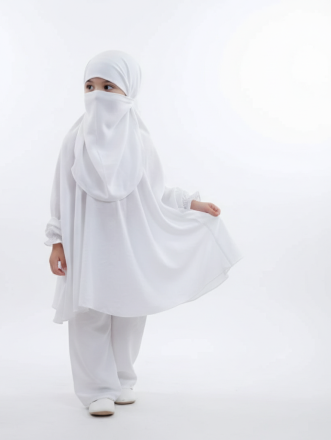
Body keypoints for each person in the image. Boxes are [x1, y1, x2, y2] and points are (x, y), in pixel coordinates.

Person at [44, 50, 243, 416]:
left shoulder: (140, 142)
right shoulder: (74, 141)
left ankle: (122, 380)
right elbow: (61, 192)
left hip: (129, 243)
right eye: (89, 86)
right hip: (86, 244)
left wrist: (190, 203)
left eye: (108, 86)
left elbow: (154, 192)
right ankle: (96, 389)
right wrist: (57, 241)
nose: (97, 94)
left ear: (129, 91)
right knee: (90, 311)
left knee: (129, 310)